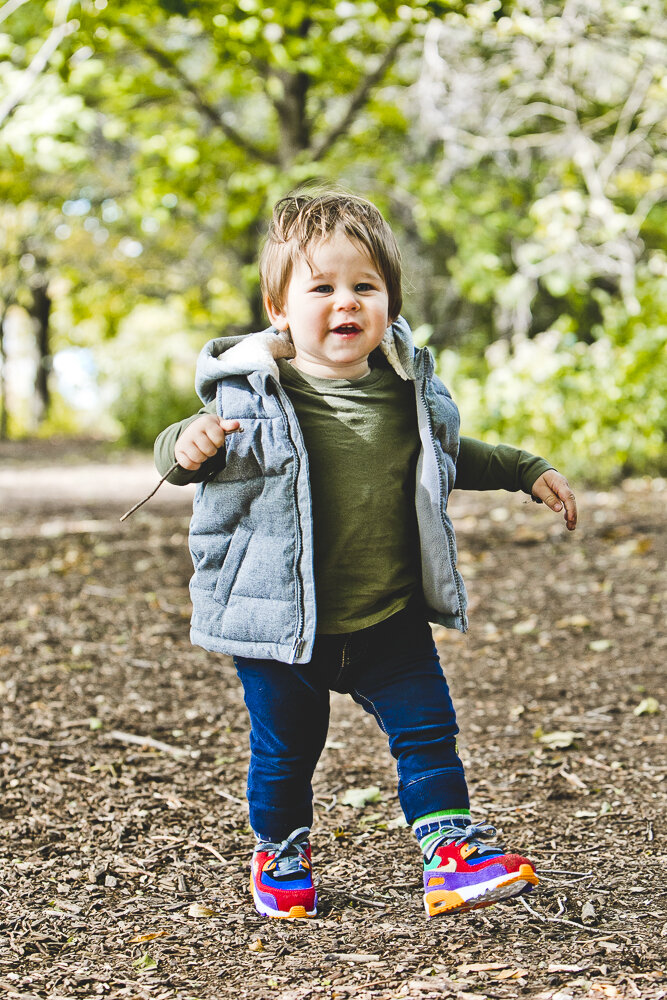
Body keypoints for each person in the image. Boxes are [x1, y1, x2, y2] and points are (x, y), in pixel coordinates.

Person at [154, 190, 577, 920]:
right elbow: (181, 449)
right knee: (287, 750)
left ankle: (450, 855)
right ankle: (280, 851)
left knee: (428, 730)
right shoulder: (250, 394)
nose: (344, 303)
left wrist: (521, 468)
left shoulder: (402, 392)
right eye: (321, 287)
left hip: (386, 617)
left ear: (388, 302)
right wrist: (186, 449)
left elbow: (448, 455)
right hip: (282, 627)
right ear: (278, 307)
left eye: (364, 287)